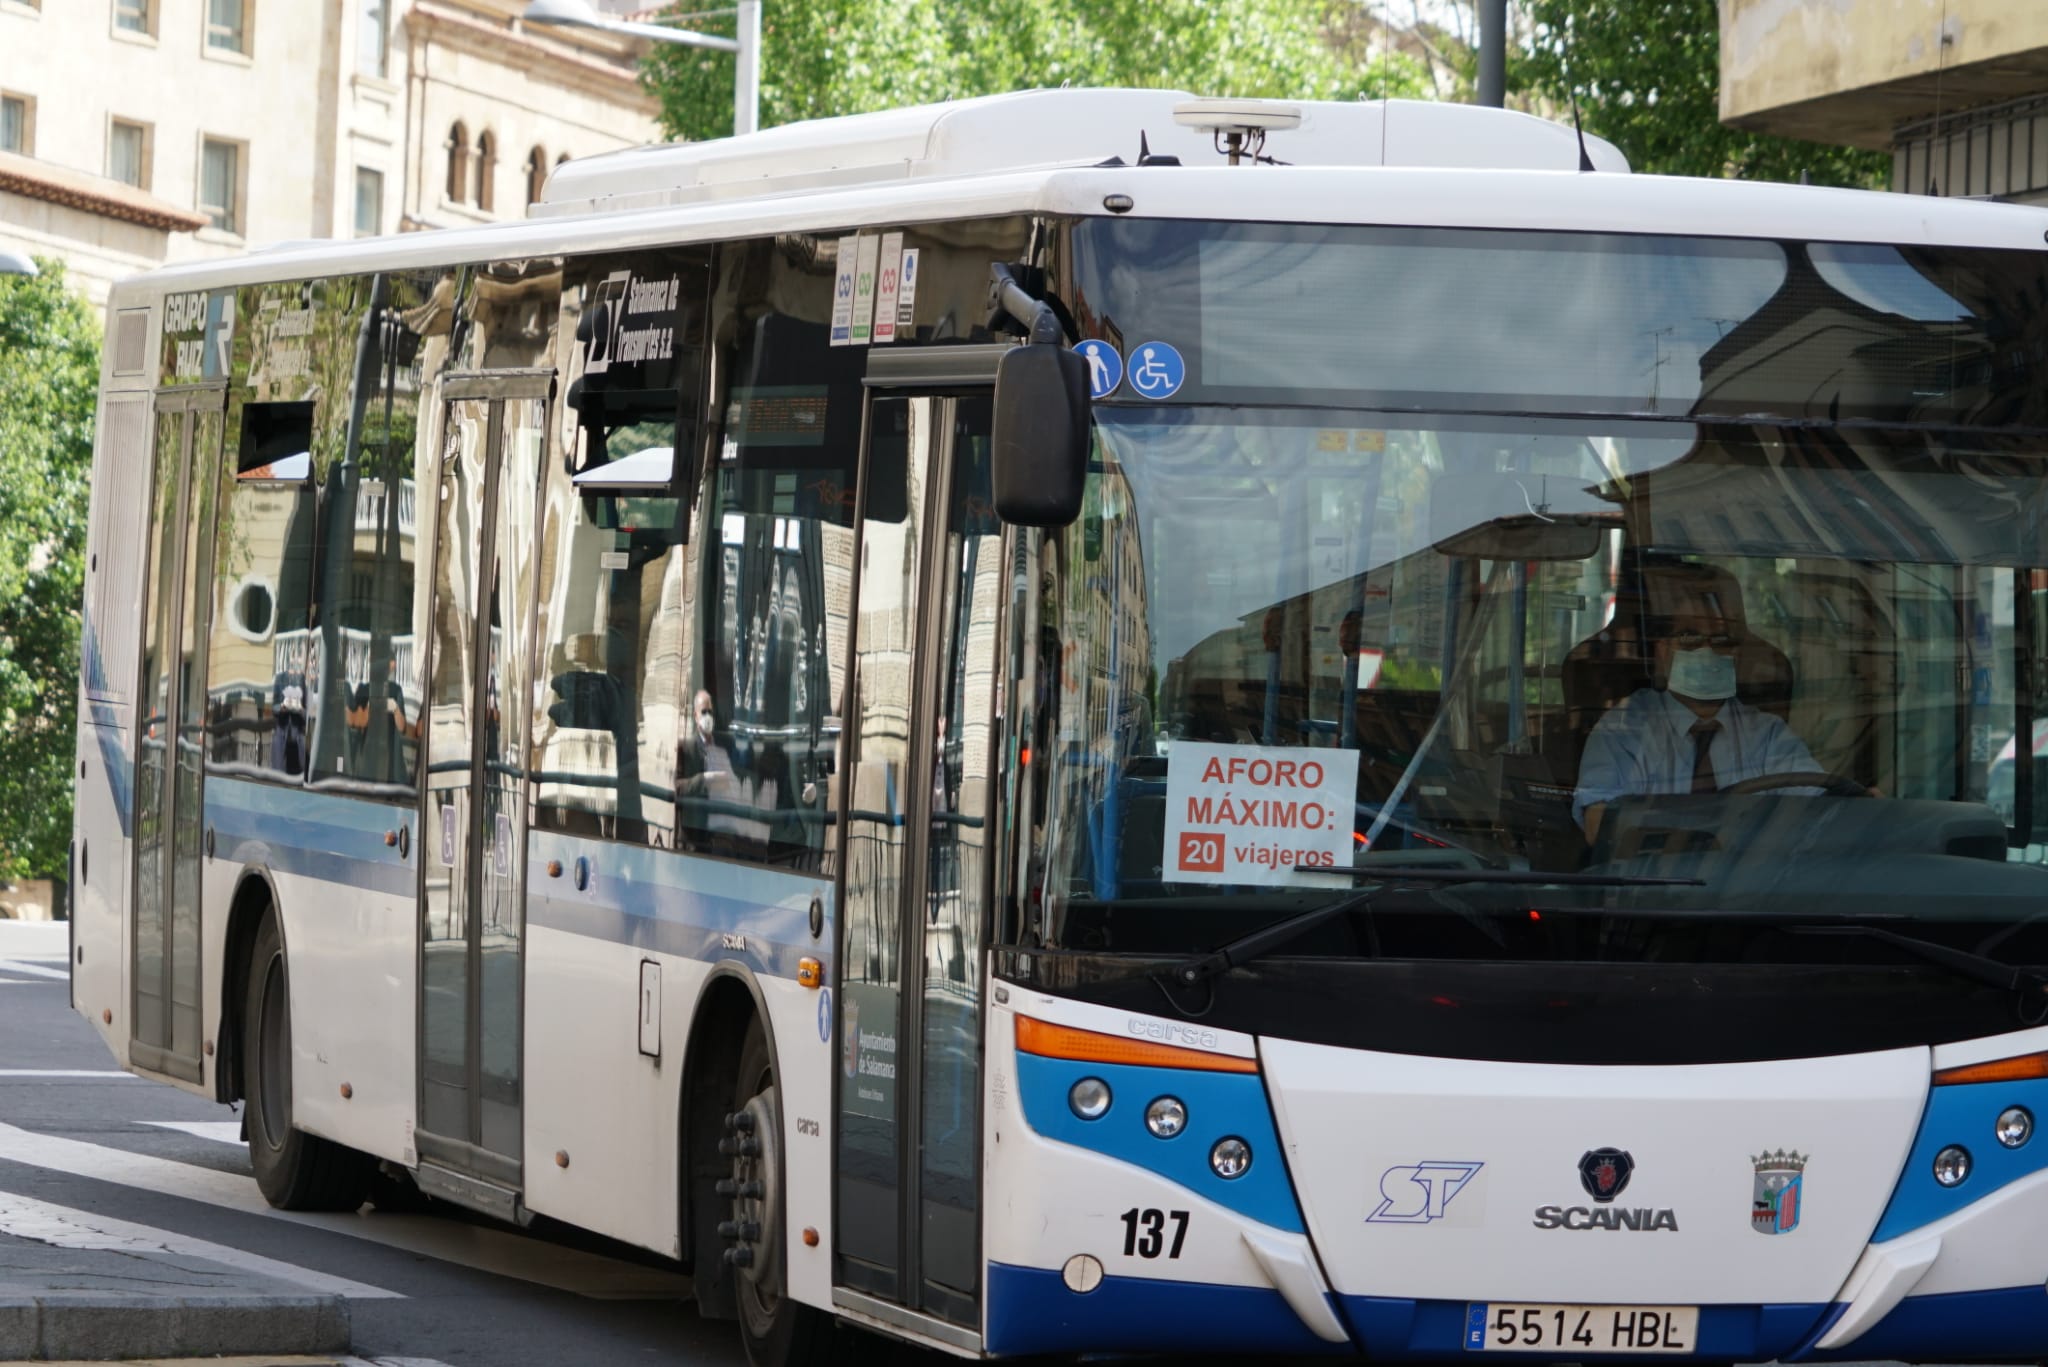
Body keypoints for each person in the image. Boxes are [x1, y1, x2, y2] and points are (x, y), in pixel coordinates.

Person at [1574, 569, 1824, 844]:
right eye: (1689, 637)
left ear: (1736, 654)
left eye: (1720, 639)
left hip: (1746, 882)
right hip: (1648, 882)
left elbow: (1817, 813)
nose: (1706, 650)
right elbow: (1598, 824)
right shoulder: (1623, 730)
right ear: (1663, 651)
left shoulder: (1768, 736)